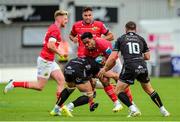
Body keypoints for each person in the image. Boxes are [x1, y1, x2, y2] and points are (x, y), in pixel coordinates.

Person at [98, 21, 170, 117]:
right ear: (135, 29)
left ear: (125, 29)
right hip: (142, 65)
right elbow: (148, 56)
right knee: (149, 89)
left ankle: (133, 109)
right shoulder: (141, 39)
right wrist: (138, 58)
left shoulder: (121, 39)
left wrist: (105, 69)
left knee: (118, 91)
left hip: (130, 66)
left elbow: (112, 57)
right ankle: (163, 110)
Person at [4, 10, 69, 99]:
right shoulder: (55, 30)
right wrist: (60, 52)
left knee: (61, 81)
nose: (67, 21)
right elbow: (50, 45)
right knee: (39, 86)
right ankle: (14, 83)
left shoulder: (54, 28)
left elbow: (50, 44)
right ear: (59, 18)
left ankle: (58, 108)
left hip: (50, 60)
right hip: (46, 60)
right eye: (65, 19)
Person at [80, 32, 139, 113]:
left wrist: (108, 71)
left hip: (114, 61)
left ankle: (132, 104)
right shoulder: (86, 51)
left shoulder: (102, 43)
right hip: (102, 66)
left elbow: (113, 60)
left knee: (121, 82)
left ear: (92, 39)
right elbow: (93, 67)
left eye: (87, 42)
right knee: (103, 80)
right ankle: (117, 103)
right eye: (84, 43)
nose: (86, 45)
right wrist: (97, 74)